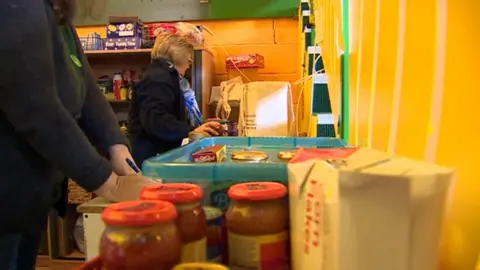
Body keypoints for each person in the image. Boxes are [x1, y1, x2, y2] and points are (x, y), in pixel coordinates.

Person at [0, 1, 155, 269]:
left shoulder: (55, 15)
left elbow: (85, 87)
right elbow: (35, 107)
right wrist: (109, 183)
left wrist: (116, 145)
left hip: (27, 198)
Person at [128, 32, 221, 166]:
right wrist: (190, 131)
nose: (189, 66)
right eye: (189, 61)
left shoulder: (162, 76)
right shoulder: (159, 78)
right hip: (150, 159)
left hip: (152, 155)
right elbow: (157, 121)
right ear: (178, 56)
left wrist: (199, 126)